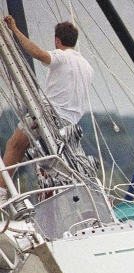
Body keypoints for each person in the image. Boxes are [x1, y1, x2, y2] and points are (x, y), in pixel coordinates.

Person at [2, 17, 94, 172]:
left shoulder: (62, 56)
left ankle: (1, 193)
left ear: (57, 40)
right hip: (70, 123)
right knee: (32, 152)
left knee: (14, 145)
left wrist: (15, 30)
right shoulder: (87, 66)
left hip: (49, 115)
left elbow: (40, 54)